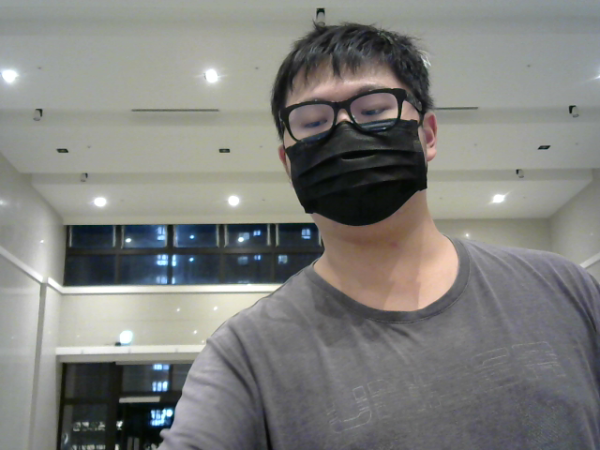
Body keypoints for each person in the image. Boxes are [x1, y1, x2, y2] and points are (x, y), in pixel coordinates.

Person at [159, 23, 600, 449]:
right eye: (313, 122)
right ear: (288, 163)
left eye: (373, 111)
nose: (344, 131)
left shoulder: (565, 289)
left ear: (428, 135)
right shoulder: (246, 357)